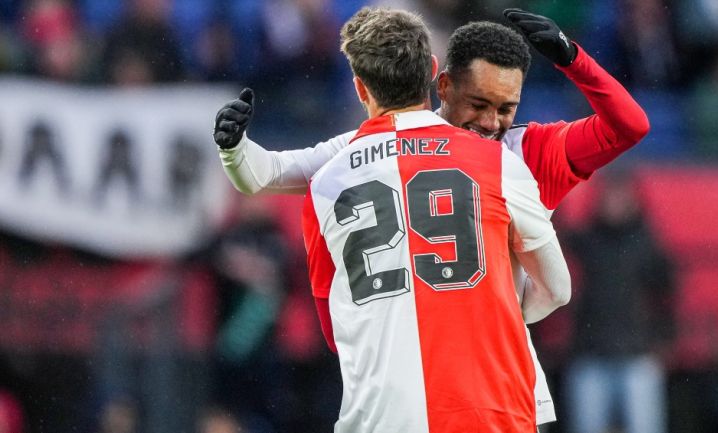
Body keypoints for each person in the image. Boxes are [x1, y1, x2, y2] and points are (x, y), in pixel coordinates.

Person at [213, 7, 650, 427]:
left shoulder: (523, 150)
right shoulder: (494, 160)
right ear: (442, 85)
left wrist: (574, 60)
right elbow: (267, 172)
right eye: (479, 103)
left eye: (506, 107)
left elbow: (629, 126)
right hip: (469, 393)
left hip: (476, 379)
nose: (491, 122)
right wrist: (234, 147)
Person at [300, 7, 570, 431]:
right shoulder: (497, 162)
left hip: (380, 417)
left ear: (358, 88)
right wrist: (489, 311)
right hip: (491, 409)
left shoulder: (325, 183)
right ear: (432, 72)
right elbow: (558, 289)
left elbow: (335, 332)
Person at [564, 173, 675, 433]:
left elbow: (667, 296)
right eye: (610, 195)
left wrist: (664, 339)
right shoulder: (588, 240)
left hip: (638, 354)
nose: (614, 202)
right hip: (590, 352)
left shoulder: (648, 244)